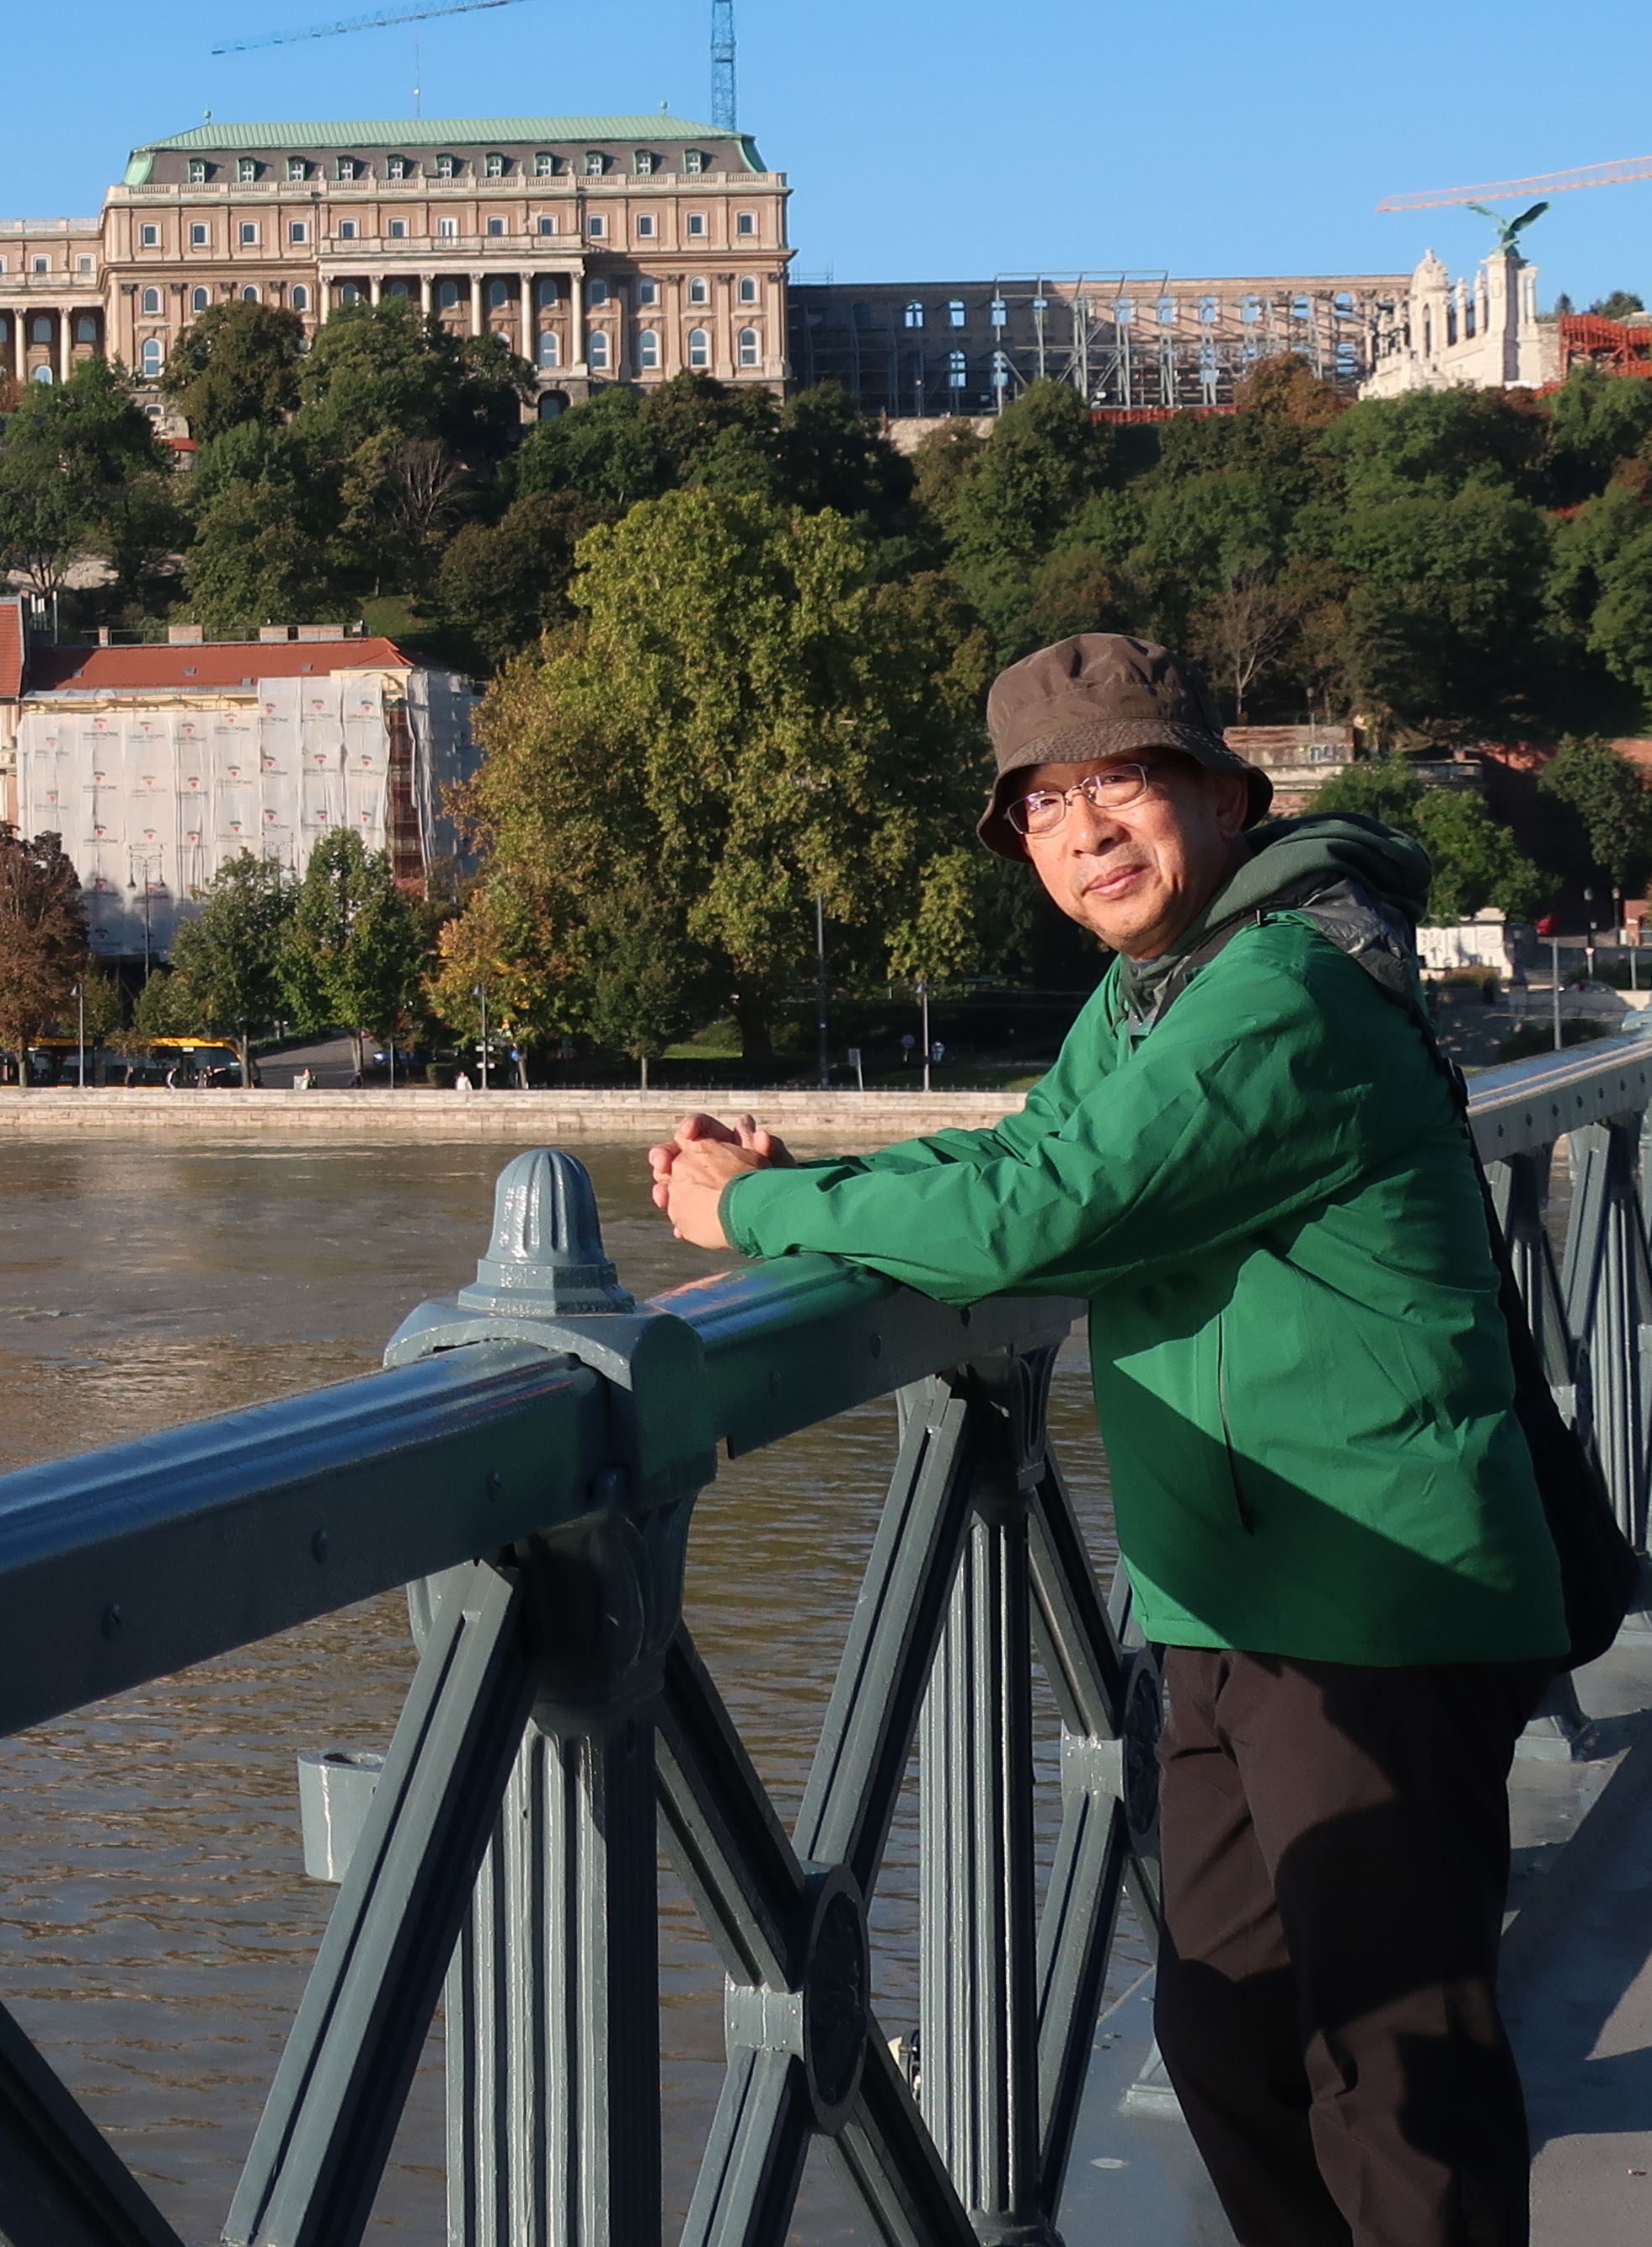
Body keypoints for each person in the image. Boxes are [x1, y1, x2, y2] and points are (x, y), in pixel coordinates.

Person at [650, 634, 1559, 2247]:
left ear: (1220, 793)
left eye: (1119, 783)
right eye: (1044, 808)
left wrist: (762, 1209)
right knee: (1225, 2035)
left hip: (1374, 1600)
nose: (1084, 835)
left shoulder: (1277, 988)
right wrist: (820, 1188)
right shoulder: (1158, 989)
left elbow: (1048, 1213)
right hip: (1230, 1601)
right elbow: (1037, 1149)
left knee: (1395, 2066)